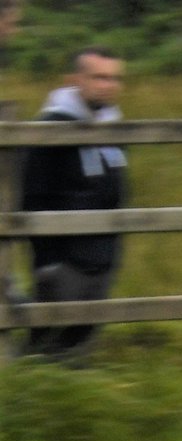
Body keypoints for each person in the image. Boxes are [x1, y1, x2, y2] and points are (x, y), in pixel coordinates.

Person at [20, 46, 127, 359]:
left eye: (114, 78)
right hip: (64, 261)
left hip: (103, 258)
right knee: (45, 346)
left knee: (79, 348)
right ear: (76, 79)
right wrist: (48, 262)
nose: (108, 85)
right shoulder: (50, 128)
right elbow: (32, 196)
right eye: (99, 77)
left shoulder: (114, 126)